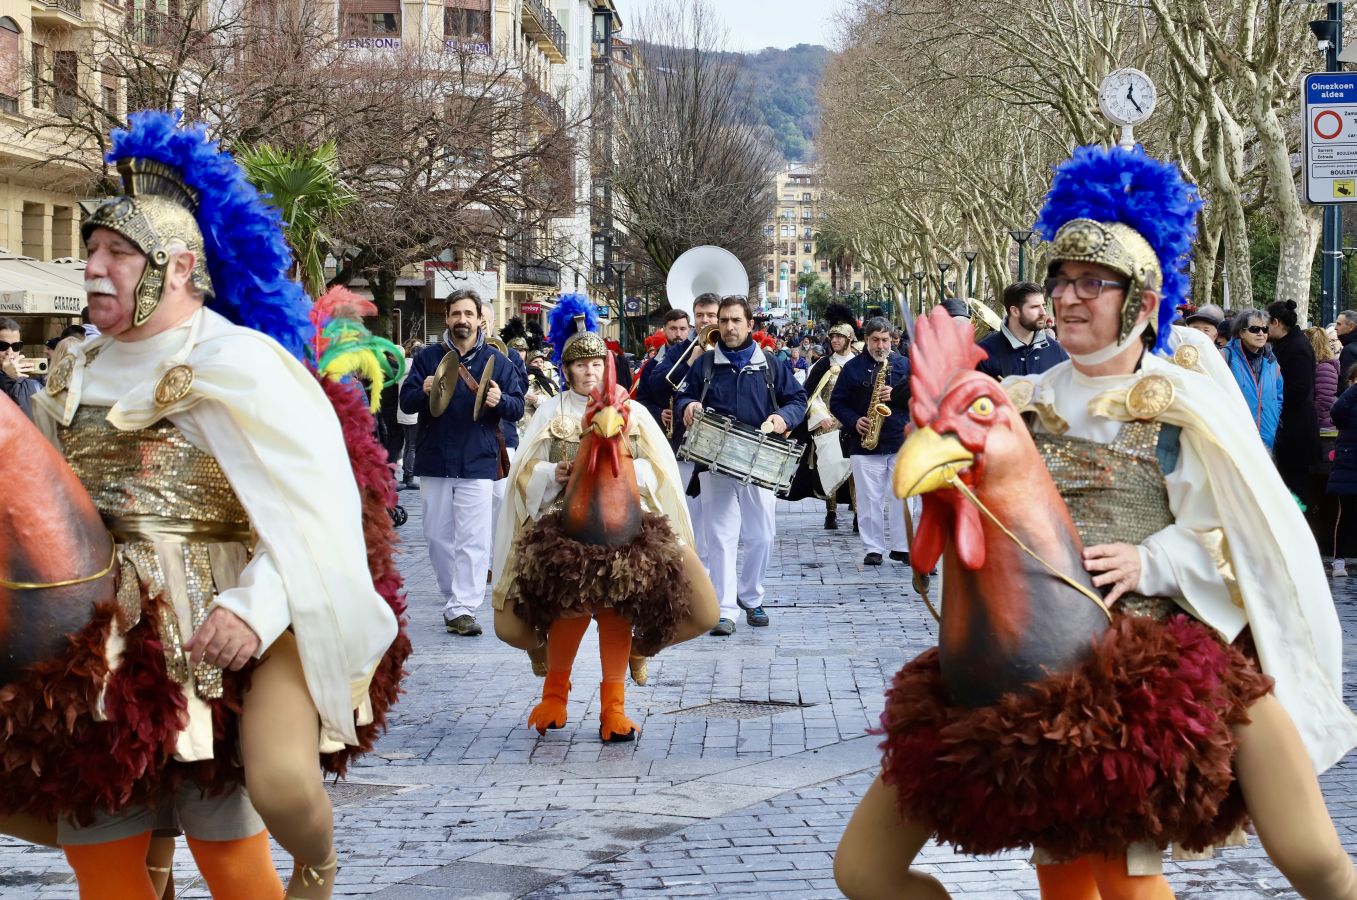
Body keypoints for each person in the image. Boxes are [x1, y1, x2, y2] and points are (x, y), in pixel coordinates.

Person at [836, 144, 1357, 900]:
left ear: (1141, 303)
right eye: (1061, 281)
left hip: (1150, 659)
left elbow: (1242, 533)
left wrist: (1154, 562)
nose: (1068, 298)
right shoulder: (1018, 398)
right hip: (1021, 666)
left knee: (1301, 862)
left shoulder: (1179, 403)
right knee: (896, 872)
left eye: (1091, 283)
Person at [25, 110, 406, 899]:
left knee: (227, 845)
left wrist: (256, 611)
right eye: (90, 248)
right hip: (97, 635)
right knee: (98, 844)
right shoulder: (70, 368)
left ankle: (316, 863)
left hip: (214, 629)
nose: (93, 266)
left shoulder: (241, 363)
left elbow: (314, 511)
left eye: (117, 252)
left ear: (176, 267)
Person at [491, 297, 718, 739]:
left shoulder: (634, 414)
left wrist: (628, 475)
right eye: (580, 365)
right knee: (553, 613)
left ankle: (617, 698)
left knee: (629, 611)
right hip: (563, 528)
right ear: (568, 369)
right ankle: (552, 685)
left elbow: (661, 471)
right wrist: (552, 474)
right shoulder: (550, 412)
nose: (589, 372)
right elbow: (523, 474)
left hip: (627, 529)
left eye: (596, 363)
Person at [677, 295, 807, 635]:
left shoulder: (772, 364)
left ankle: (752, 596)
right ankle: (724, 609)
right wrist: (688, 406)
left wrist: (783, 417)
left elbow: (798, 399)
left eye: (736, 321)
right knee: (719, 537)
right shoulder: (705, 364)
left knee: (761, 535)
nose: (729, 327)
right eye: (724, 321)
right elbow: (683, 395)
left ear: (750, 324)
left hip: (760, 461)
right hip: (714, 461)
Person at [400, 289, 524, 637]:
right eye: (456, 314)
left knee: (474, 537)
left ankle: (463, 607)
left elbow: (516, 407)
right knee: (437, 535)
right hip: (435, 458)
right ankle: (451, 594)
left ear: (479, 318)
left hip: (477, 459)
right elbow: (406, 404)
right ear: (447, 318)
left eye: (468, 314)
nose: (462, 320)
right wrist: (421, 390)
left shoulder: (498, 362)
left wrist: (500, 401)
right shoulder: (427, 358)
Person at [830, 317, 916, 567]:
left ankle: (903, 547)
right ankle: (873, 548)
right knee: (869, 499)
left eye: (885, 340)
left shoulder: (906, 365)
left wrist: (898, 396)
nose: (881, 346)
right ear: (866, 340)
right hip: (865, 442)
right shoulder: (853, 368)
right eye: (876, 340)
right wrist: (854, 420)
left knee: (905, 497)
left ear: (892, 340)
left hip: (900, 439)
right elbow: (837, 402)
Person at [786, 301, 858, 530]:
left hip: (855, 424)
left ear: (849, 338)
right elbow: (810, 396)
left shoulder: (859, 363)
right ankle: (831, 512)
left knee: (856, 470)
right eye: (832, 337)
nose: (834, 341)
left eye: (839, 337)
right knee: (830, 467)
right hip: (827, 425)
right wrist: (821, 417)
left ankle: (859, 513)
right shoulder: (823, 365)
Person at [1268, 300, 1324, 506]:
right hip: (1292, 428)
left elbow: (1299, 389)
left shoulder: (1296, 347)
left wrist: (1272, 402)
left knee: (1295, 488)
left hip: (1296, 431)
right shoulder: (1290, 344)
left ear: (1275, 322)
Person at [976, 282, 1069, 378]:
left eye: (1043, 306)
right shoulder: (983, 353)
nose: (1043, 312)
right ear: (1015, 311)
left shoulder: (1056, 349)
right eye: (1034, 307)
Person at [1222, 309, 1284, 452]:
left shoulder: (1272, 362)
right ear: (1241, 332)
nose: (1261, 333)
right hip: (1235, 439)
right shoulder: (1225, 357)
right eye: (1254, 329)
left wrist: (1272, 416)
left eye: (1264, 329)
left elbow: (1278, 396)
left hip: (1266, 438)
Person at [1328, 362, 1357, 579]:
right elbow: (1335, 413)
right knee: (1345, 514)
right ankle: (1339, 560)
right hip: (1348, 464)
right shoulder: (1348, 401)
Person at [0, 316, 45, 416]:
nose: (10, 353)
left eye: (16, 346)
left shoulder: (31, 385)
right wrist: (6, 378)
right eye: (2, 346)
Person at [395, 337, 422, 490]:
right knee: (411, 446)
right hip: (413, 413)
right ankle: (408, 477)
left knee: (407, 446)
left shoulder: (401, 366)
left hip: (402, 411)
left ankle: (406, 475)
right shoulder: (415, 367)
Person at [1311, 326, 1342, 433]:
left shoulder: (1324, 367)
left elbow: (1324, 401)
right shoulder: (1319, 365)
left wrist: (1313, 421)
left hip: (1322, 428)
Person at [1336, 309, 1357, 376]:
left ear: (1351, 326)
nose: (1335, 327)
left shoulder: (1349, 351)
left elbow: (1346, 382)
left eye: (1339, 324)